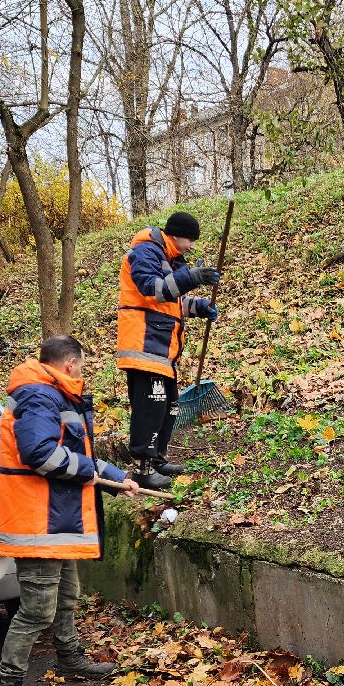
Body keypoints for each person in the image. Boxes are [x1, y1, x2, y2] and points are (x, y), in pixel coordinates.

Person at [0, 335, 141, 686]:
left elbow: (74, 454)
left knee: (68, 594)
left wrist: (118, 478)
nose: (83, 371)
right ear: (70, 363)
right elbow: (39, 453)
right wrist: (90, 472)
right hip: (37, 521)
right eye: (82, 364)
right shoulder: (40, 396)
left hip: (57, 519)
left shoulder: (54, 394)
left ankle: (70, 658)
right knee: (37, 610)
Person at [116, 210, 220, 490]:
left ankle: (158, 459)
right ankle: (142, 470)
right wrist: (192, 277)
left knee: (168, 407)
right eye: (191, 240)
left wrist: (199, 307)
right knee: (151, 409)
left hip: (163, 350)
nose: (192, 247)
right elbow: (153, 290)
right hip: (143, 345)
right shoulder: (145, 252)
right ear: (176, 235)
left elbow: (172, 302)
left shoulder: (169, 258)